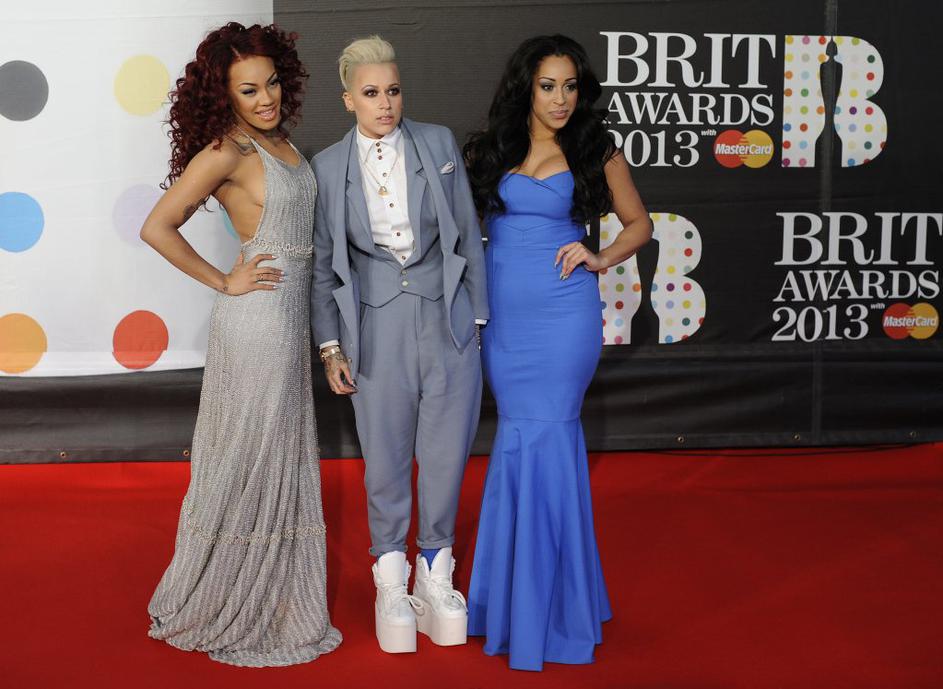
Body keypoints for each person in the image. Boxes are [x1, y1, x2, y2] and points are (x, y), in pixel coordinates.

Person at [139, 22, 341, 666]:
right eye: (249, 90)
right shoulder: (227, 151)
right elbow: (157, 226)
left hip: (288, 322)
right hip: (258, 322)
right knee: (250, 457)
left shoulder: (279, 142)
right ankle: (225, 595)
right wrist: (225, 280)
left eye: (272, 83)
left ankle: (271, 593)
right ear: (223, 95)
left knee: (273, 452)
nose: (266, 98)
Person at [463, 34, 652, 671]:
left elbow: (640, 224)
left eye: (570, 86)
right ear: (527, 89)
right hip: (507, 325)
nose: (561, 99)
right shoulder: (493, 150)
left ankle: (550, 610)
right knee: (517, 439)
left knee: (548, 437)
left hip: (565, 321)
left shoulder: (596, 149)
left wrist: (600, 256)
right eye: (548, 86)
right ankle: (515, 600)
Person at [310, 36, 487, 654]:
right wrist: (331, 347)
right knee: (384, 456)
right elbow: (322, 268)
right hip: (374, 326)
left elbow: (468, 230)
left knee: (446, 452)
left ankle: (435, 572)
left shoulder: (437, 143)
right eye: (370, 93)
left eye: (393, 90)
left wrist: (478, 320)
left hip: (447, 319)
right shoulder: (327, 167)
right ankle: (390, 579)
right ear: (348, 99)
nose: (385, 104)